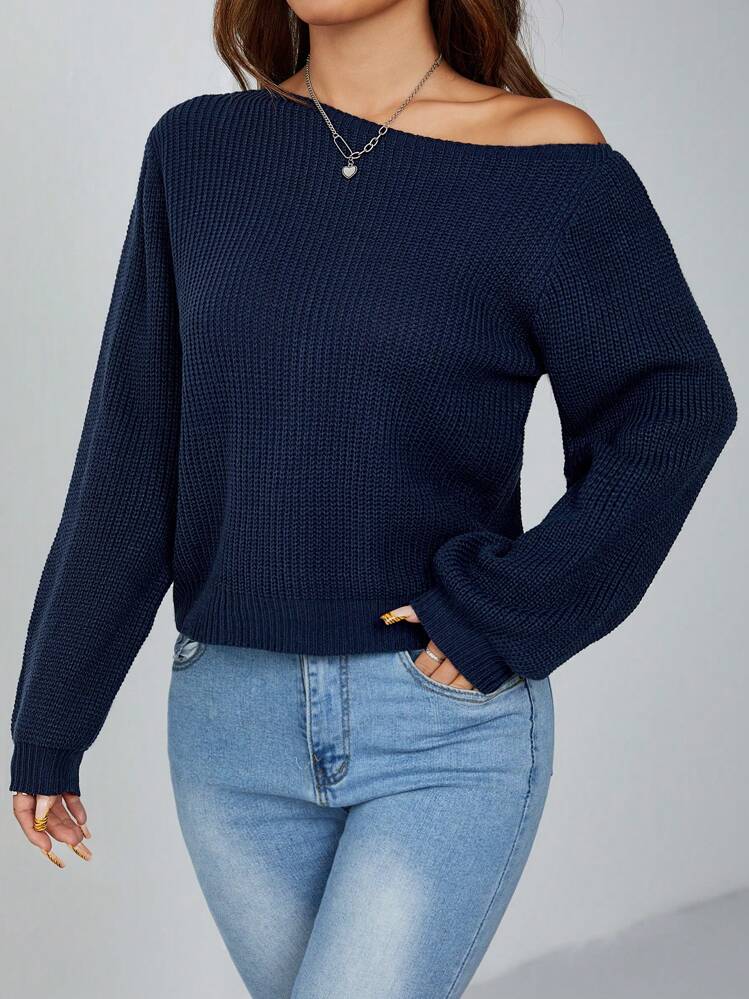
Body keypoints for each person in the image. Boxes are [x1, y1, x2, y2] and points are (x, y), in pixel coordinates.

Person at [9, 1, 737, 996]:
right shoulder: (197, 152)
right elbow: (134, 452)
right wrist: (51, 722)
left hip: (438, 724)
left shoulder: (545, 161)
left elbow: (671, 407)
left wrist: (501, 613)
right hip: (230, 727)